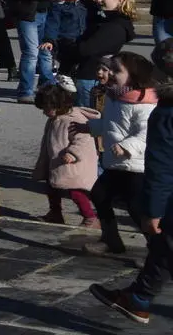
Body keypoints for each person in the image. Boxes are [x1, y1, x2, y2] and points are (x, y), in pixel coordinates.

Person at [88, 40, 173, 323]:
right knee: (163, 250)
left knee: (164, 245)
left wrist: (153, 212)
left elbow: (160, 167)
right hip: (119, 169)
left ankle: (137, 298)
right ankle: (137, 299)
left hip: (144, 179)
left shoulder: (162, 112)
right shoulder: (116, 98)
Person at [84, 52, 160, 256]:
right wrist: (91, 127)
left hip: (136, 166)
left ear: (134, 76)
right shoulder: (115, 96)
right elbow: (110, 124)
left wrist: (127, 146)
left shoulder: (145, 103)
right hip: (116, 163)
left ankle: (158, 251)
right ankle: (111, 240)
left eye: (116, 70)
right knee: (99, 194)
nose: (110, 73)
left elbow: (146, 133)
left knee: (138, 211)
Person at [60, 0, 137, 109]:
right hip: (86, 74)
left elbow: (86, 49)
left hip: (90, 77)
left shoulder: (115, 26)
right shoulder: (102, 19)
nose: (99, 0)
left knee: (85, 118)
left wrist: (67, 46)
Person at [33, 82, 100, 228]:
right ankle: (55, 213)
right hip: (57, 162)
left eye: (46, 108)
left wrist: (72, 153)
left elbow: (83, 139)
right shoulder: (54, 119)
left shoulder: (73, 120)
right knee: (52, 187)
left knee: (76, 192)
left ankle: (90, 217)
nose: (44, 112)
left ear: (57, 105)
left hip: (73, 165)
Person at [41, 0, 97, 92]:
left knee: (85, 62)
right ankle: (63, 74)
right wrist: (49, 39)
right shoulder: (58, 7)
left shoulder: (86, 4)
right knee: (69, 53)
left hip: (83, 39)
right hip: (65, 40)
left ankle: (76, 83)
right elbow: (52, 25)